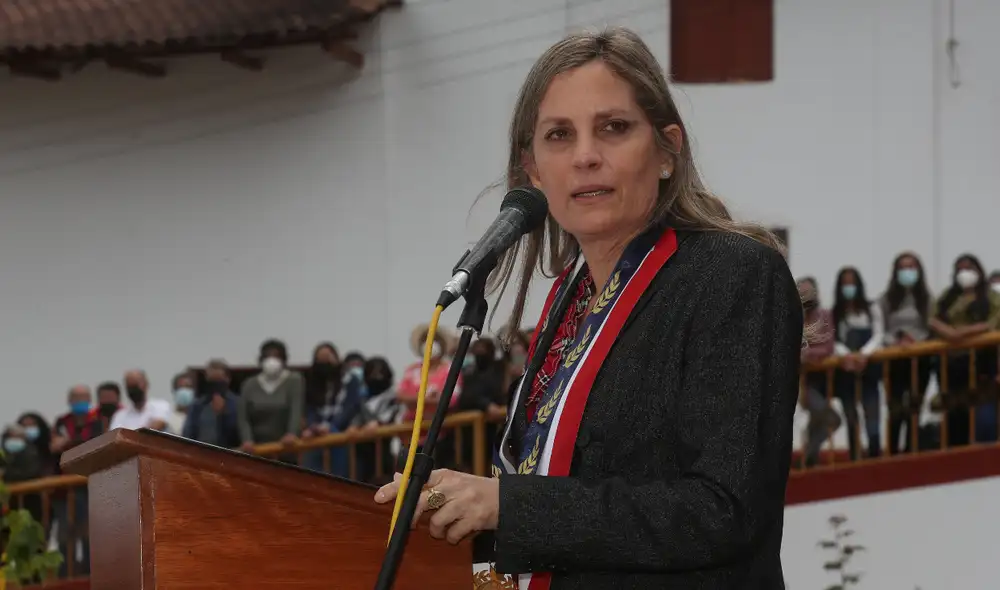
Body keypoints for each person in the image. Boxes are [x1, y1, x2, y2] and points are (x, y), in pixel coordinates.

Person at [375, 27, 802, 589]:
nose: (585, 157)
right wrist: (452, 506)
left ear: (667, 150)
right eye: (559, 135)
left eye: (614, 128)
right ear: (533, 171)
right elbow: (571, 507)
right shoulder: (569, 301)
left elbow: (723, 511)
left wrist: (508, 505)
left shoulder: (733, 274)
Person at [929, 254, 1000, 445]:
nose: (964, 273)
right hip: (952, 367)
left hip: (982, 365)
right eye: (960, 269)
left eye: (969, 268)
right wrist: (949, 333)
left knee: (985, 421)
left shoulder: (991, 297)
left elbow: (992, 323)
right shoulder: (947, 297)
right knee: (955, 421)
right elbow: (932, 319)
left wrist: (960, 333)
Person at [879, 252, 934, 454]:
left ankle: (911, 450)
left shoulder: (926, 298)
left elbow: (930, 326)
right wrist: (896, 341)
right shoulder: (886, 299)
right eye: (903, 267)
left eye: (911, 267)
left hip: (920, 357)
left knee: (914, 406)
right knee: (895, 409)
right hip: (894, 357)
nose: (907, 271)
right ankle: (892, 452)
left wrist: (915, 340)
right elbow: (881, 330)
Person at [831, 266, 884, 460]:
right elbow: (833, 340)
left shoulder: (871, 308)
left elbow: (879, 335)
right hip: (846, 368)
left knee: (872, 412)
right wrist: (847, 356)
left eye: (852, 282)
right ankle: (854, 455)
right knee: (851, 416)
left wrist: (863, 355)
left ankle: (875, 453)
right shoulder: (835, 313)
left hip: (869, 366)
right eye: (845, 283)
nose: (849, 286)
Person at [796, 277, 841, 467]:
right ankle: (809, 454)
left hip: (825, 379)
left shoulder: (825, 315)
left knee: (821, 419)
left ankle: (808, 457)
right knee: (830, 418)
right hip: (802, 383)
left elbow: (828, 347)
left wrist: (808, 353)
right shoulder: (792, 318)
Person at [302, 342, 364, 476]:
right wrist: (313, 426)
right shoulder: (313, 382)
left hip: (340, 432)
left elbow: (350, 408)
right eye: (321, 359)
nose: (325, 362)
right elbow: (310, 408)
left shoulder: (349, 379)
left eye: (328, 358)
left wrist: (330, 427)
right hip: (316, 433)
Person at [238, 339, 304, 455]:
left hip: (285, 447)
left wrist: (292, 433)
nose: (271, 360)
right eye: (267, 356)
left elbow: (296, 411)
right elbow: (243, 417)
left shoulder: (294, 380)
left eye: (276, 356)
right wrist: (247, 440)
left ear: (283, 359)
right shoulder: (249, 384)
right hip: (256, 448)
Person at [183, 359, 241, 448]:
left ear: (228, 379)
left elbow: (239, 435)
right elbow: (188, 433)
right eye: (212, 381)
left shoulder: (238, 404)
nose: (215, 386)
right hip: (200, 452)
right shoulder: (197, 405)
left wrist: (223, 414)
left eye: (219, 381)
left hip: (228, 452)